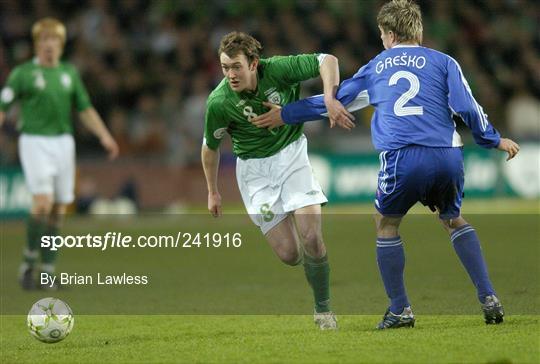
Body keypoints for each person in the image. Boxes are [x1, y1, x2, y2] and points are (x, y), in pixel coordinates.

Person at [251, 0, 520, 329]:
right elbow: (468, 107)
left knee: (386, 223)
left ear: (390, 34)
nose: (381, 40)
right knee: (452, 219)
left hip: (403, 157)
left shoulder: (377, 67)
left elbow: (334, 100)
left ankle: (400, 309)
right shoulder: (444, 62)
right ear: (418, 30)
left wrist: (286, 113)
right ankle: (488, 297)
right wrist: (493, 139)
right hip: (447, 155)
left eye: (381, 34)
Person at [201, 31, 353, 330]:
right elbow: (210, 148)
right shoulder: (219, 102)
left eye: (236, 67)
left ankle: (323, 311)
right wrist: (212, 191)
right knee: (290, 254)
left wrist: (328, 98)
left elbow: (328, 60)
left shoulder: (279, 70)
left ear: (254, 64)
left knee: (312, 237)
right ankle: (306, 268)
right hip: (255, 175)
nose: (230, 74)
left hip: (292, 157)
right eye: (225, 68)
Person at [0, 18, 119, 290]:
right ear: (36, 44)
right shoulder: (23, 74)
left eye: (53, 40)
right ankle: (29, 263)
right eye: (43, 40)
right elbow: (3, 106)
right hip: (33, 141)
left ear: (61, 45)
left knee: (57, 209)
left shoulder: (69, 74)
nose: (49, 45)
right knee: (42, 203)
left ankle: (46, 271)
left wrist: (104, 135)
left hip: (64, 144)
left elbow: (85, 109)